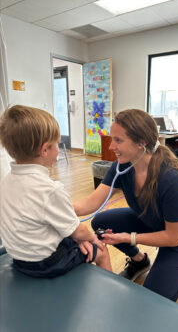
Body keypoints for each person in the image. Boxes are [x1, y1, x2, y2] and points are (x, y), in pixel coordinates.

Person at [74, 109, 178, 301]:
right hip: (150, 220)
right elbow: (93, 201)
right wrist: (60, 210)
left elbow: (172, 237)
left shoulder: (170, 178)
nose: (111, 147)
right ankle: (140, 262)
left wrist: (129, 238)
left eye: (118, 140)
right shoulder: (122, 165)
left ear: (141, 143)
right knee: (100, 222)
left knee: (153, 301)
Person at [0, 105, 112, 278]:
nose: (59, 148)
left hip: (20, 259)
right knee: (101, 251)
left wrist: (78, 237)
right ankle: (112, 296)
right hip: (46, 263)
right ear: (45, 150)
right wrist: (91, 238)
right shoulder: (50, 190)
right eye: (57, 144)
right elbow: (79, 230)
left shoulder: (6, 182)